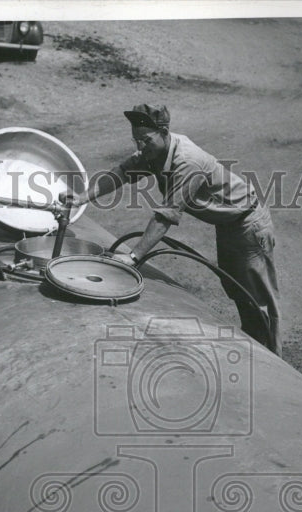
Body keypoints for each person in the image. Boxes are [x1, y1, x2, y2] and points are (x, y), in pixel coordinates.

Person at [65, 103, 281, 355]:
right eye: (135, 140)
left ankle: (276, 365)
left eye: (145, 140)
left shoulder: (187, 162)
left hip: (248, 225)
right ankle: (255, 348)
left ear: (164, 132)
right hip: (228, 225)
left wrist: (134, 257)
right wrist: (81, 198)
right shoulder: (154, 152)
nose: (139, 147)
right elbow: (121, 173)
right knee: (238, 292)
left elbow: (166, 216)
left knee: (259, 300)